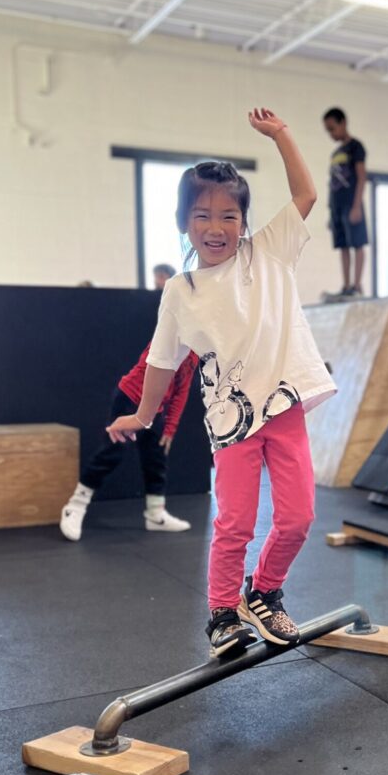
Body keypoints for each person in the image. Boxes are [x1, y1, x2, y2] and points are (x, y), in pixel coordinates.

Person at [106, 108, 336, 660]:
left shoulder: (270, 253)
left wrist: (282, 135)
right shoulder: (181, 291)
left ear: (245, 221)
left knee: (299, 517)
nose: (217, 227)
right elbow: (163, 360)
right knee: (233, 521)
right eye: (203, 216)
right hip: (231, 426)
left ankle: (264, 591)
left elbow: (306, 193)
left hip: (285, 411)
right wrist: (142, 415)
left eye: (230, 216)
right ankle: (221, 611)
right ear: (184, 221)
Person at [60, 343, 198, 541]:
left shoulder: (196, 350)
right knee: (112, 452)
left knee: (156, 457)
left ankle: (155, 514)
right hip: (130, 399)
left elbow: (182, 388)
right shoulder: (172, 331)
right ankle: (75, 506)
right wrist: (140, 414)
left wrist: (170, 427)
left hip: (155, 408)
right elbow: (151, 370)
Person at [322, 107, 368, 297]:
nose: (331, 134)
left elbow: (361, 176)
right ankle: (346, 284)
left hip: (351, 203)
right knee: (342, 245)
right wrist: (330, 213)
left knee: (357, 243)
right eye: (328, 130)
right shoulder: (335, 154)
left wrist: (357, 205)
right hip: (337, 205)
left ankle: (357, 285)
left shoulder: (356, 147)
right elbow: (332, 184)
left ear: (343, 123)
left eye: (332, 128)